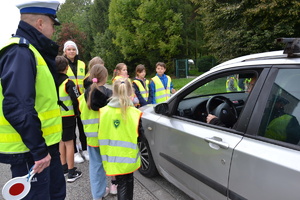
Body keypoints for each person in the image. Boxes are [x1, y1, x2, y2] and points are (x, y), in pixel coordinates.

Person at [0, 1, 66, 199]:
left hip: (43, 149)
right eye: (52, 25)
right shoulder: (21, 52)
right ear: (40, 23)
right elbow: (18, 107)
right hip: (33, 153)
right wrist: (38, 151)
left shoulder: (31, 52)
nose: (53, 31)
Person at [98, 78, 144, 200]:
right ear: (131, 93)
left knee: (121, 182)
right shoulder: (135, 113)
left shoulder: (104, 112)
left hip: (111, 157)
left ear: (114, 92)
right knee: (127, 183)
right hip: (128, 158)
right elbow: (141, 136)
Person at [78, 61, 114, 199]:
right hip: (108, 136)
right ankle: (115, 186)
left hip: (92, 138)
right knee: (111, 163)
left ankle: (97, 194)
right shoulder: (110, 95)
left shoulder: (82, 98)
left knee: (95, 166)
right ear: (105, 77)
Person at [56, 56, 82, 183]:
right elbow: (77, 99)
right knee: (70, 143)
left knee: (61, 141)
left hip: (56, 117)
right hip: (68, 116)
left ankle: (64, 167)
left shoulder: (51, 81)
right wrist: (78, 112)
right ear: (66, 68)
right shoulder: (68, 82)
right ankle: (72, 172)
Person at [63, 40, 89, 163]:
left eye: (73, 49)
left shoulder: (82, 64)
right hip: (68, 101)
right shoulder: (63, 64)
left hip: (82, 100)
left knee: (83, 125)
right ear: (65, 51)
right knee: (71, 127)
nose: (71, 51)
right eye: (69, 49)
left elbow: (86, 80)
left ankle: (84, 148)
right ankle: (73, 152)